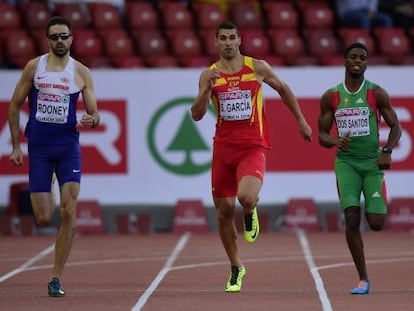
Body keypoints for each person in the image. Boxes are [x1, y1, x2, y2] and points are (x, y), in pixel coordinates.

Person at [191, 21, 312, 292]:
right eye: (222, 38)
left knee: (246, 196)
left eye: (232, 37)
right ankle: (236, 267)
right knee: (223, 213)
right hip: (223, 149)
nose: (228, 43)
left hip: (253, 146)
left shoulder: (257, 67)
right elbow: (197, 114)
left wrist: (301, 121)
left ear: (239, 40)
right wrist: (205, 90)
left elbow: (283, 89)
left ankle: (249, 210)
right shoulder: (208, 74)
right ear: (216, 42)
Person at [8, 16, 100, 297]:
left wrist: (91, 119)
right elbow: (13, 107)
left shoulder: (81, 72)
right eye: (55, 37)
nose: (60, 41)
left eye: (64, 36)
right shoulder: (35, 67)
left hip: (67, 147)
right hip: (39, 147)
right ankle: (46, 185)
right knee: (44, 218)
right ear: (48, 40)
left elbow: (95, 114)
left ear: (72, 39)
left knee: (70, 211)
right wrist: (15, 146)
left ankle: (55, 276)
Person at [318, 42, 402, 295]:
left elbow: (396, 126)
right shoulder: (330, 96)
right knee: (352, 217)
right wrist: (334, 140)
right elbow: (322, 135)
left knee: (376, 222)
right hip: (346, 164)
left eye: (362, 58)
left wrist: (387, 151)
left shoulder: (377, 93)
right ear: (344, 61)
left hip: (372, 163)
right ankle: (363, 278)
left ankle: (373, 197)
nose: (358, 61)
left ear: (366, 63)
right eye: (353, 57)